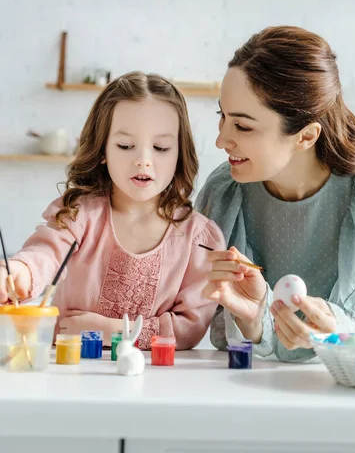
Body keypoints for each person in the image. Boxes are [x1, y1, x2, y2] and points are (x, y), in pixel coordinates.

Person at [196, 25, 355, 362]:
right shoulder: (222, 194)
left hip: (347, 383)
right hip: (247, 386)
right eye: (223, 116)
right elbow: (217, 327)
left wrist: (336, 328)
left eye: (243, 126)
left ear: (306, 136)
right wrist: (253, 321)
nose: (221, 140)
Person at [0, 72, 224, 349]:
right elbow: (44, 254)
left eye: (161, 147)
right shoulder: (79, 215)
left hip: (152, 380)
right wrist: (19, 273)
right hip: (70, 371)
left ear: (179, 153)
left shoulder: (199, 237)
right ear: (103, 149)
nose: (143, 160)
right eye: (126, 146)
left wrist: (111, 331)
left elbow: (190, 326)